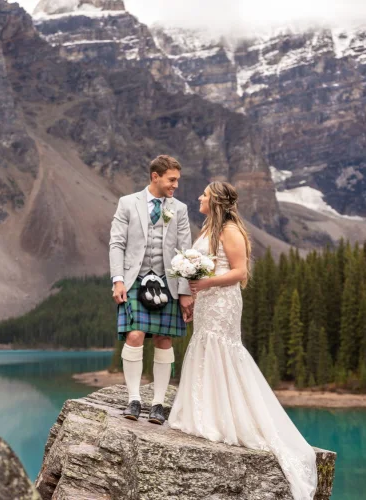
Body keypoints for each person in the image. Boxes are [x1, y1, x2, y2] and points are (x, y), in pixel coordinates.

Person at [168, 181, 318, 500]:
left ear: (217, 201)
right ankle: (204, 409)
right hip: (208, 300)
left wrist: (206, 283)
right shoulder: (209, 228)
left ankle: (226, 416)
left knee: (222, 349)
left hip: (223, 301)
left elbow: (240, 272)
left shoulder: (231, 230)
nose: (199, 197)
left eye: (205, 195)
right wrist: (194, 293)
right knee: (204, 347)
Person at [109, 155, 194, 425]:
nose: (175, 186)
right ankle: (134, 399)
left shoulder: (179, 209)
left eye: (177, 180)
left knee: (163, 339)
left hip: (167, 282)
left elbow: (185, 251)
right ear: (155, 176)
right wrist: (118, 280)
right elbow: (116, 244)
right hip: (135, 280)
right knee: (134, 335)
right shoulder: (127, 203)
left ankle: (158, 404)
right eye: (172, 180)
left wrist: (184, 292)